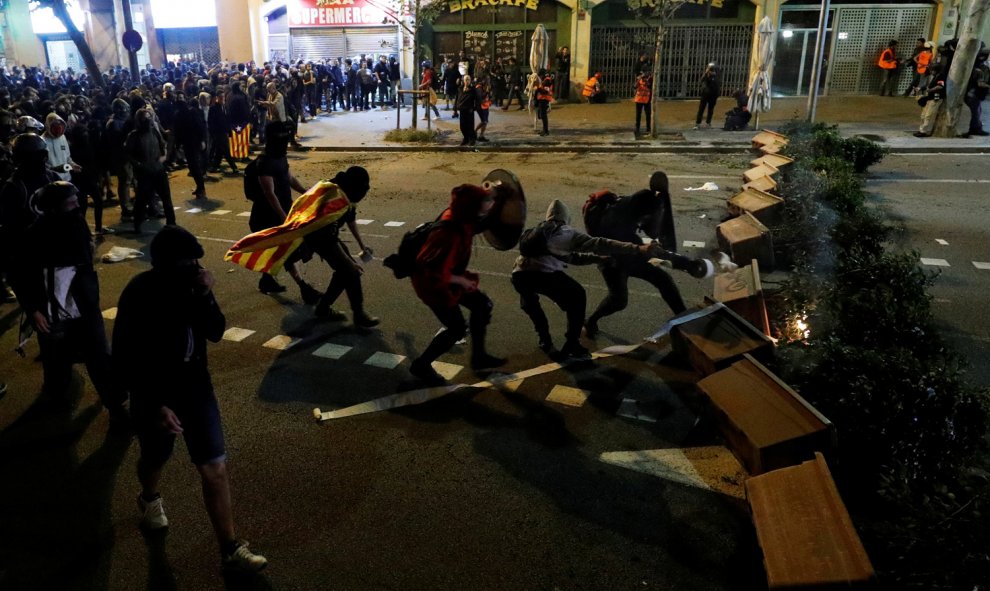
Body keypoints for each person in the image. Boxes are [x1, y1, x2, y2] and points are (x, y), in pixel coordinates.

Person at [113, 225, 268, 573]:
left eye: (196, 262)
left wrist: (203, 294)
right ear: (164, 265)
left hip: (195, 386)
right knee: (155, 456)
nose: (195, 268)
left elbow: (214, 331)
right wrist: (153, 405)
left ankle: (230, 548)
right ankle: (149, 498)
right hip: (154, 391)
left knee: (214, 468)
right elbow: (124, 355)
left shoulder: (194, 287)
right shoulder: (140, 293)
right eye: (187, 263)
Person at [512, 199, 678, 359]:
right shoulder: (566, 233)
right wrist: (638, 248)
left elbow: (572, 259)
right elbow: (601, 243)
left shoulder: (539, 232)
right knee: (578, 296)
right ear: (566, 218)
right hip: (543, 275)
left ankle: (544, 339)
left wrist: (598, 259)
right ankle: (572, 343)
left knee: (531, 304)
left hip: (519, 276)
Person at [20, 181, 127, 423]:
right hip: (52, 309)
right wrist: (33, 310)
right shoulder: (35, 235)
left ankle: (116, 407)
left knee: (99, 356)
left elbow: (84, 263)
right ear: (54, 208)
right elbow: (22, 275)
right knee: (56, 359)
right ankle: (58, 401)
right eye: (70, 203)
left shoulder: (76, 223)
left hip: (84, 305)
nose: (77, 206)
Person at [408, 184, 506, 385]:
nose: (489, 204)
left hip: (449, 278)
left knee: (481, 305)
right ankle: (422, 364)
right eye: (485, 202)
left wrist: (500, 198)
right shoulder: (448, 233)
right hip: (433, 286)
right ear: (472, 207)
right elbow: (431, 270)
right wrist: (461, 280)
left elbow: (480, 223)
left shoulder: (462, 216)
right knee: (456, 329)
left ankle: (479, 357)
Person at [584, 173, 699, 337]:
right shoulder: (618, 223)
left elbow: (650, 232)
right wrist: (686, 264)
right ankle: (591, 321)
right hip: (612, 259)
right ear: (644, 215)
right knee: (619, 300)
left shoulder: (633, 205)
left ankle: (683, 322)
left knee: (663, 280)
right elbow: (650, 252)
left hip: (629, 250)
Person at [247, 121, 321, 302]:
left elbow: (289, 178)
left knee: (279, 251)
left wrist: (306, 192)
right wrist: (283, 219)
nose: (285, 143)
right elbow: (269, 194)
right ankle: (304, 288)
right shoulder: (264, 162)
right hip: (267, 215)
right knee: (288, 251)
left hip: (283, 211)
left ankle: (266, 280)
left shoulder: (280, 157)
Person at [305, 166, 380, 327]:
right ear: (355, 186)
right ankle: (358, 314)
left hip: (328, 235)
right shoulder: (335, 197)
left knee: (347, 271)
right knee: (350, 271)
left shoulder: (347, 192)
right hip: (318, 235)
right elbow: (328, 237)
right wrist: (349, 261)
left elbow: (350, 218)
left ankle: (324, 308)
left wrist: (362, 245)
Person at [125, 107, 176, 233]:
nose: (148, 120)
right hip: (145, 173)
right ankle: (138, 224)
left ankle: (172, 223)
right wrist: (139, 165)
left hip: (158, 170)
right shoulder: (133, 136)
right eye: (145, 118)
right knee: (141, 200)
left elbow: (162, 145)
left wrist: (163, 157)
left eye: (149, 117)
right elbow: (128, 154)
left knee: (166, 198)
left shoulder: (154, 132)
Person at [175, 97, 209, 199]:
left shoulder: (182, 115)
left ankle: (201, 188)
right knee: (193, 166)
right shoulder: (191, 112)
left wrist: (178, 143)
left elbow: (179, 131)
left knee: (194, 166)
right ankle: (200, 187)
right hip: (193, 142)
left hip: (190, 143)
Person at [962, 49, 990, 138]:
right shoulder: (983, 67)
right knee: (975, 112)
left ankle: (975, 128)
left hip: (972, 93)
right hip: (974, 93)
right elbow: (981, 83)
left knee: (977, 111)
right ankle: (974, 129)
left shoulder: (975, 65)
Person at [694, 62, 720, 129]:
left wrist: (717, 95)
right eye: (710, 68)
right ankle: (697, 123)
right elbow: (701, 80)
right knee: (701, 109)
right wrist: (706, 73)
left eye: (712, 68)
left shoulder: (717, 76)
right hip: (705, 95)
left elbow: (717, 86)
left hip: (713, 96)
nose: (712, 70)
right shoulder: (706, 75)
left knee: (710, 110)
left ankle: (708, 123)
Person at [456, 74, 478, 147]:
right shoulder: (460, 88)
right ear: (463, 80)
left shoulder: (473, 89)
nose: (467, 81)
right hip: (462, 109)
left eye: (468, 79)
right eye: (466, 79)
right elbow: (457, 99)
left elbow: (477, 100)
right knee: (462, 126)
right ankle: (466, 138)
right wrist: (455, 109)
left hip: (469, 110)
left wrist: (474, 108)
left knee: (470, 126)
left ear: (470, 81)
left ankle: (472, 139)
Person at [634, 71, 652, 137]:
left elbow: (650, 86)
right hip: (638, 100)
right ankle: (637, 128)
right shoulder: (639, 79)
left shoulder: (650, 79)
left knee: (648, 114)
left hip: (647, 100)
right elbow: (635, 86)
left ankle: (648, 128)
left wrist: (646, 81)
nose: (644, 76)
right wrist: (639, 79)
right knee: (638, 115)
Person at [474, 77, 492, 142]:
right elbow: (481, 97)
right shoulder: (479, 87)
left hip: (485, 106)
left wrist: (489, 94)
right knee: (484, 121)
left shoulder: (486, 87)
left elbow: (489, 96)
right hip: (480, 106)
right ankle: (475, 131)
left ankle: (481, 136)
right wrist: (487, 91)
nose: (489, 82)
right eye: (488, 81)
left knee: (485, 121)